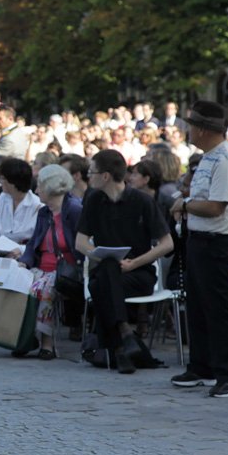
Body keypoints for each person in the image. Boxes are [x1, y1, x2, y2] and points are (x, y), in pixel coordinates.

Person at [170, 100, 228, 397]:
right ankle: (201, 366)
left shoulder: (226, 159)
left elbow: (216, 206)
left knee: (219, 309)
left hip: (217, 242)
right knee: (199, 307)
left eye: (190, 125)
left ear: (202, 129)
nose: (187, 130)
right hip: (200, 241)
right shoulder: (209, 158)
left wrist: (185, 204)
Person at [76, 149, 173, 374]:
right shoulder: (93, 200)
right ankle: (124, 338)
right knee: (108, 270)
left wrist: (134, 263)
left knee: (100, 284)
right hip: (108, 271)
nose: (88, 176)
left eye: (91, 172)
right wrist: (99, 253)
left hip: (138, 273)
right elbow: (80, 242)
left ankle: (119, 344)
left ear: (106, 176)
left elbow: (167, 244)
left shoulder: (141, 201)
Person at [18, 165, 82, 358]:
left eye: (40, 186)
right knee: (18, 284)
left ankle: (47, 344)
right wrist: (24, 262)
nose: (36, 191)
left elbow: (79, 245)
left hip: (66, 271)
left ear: (51, 187)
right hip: (41, 268)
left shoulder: (74, 210)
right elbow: (32, 245)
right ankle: (23, 338)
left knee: (43, 289)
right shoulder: (44, 212)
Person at [0, 157, 42, 253]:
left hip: (23, 256)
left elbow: (37, 242)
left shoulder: (37, 206)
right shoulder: (3, 197)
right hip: (0, 253)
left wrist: (19, 250)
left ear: (14, 182)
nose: (0, 181)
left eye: (3, 178)